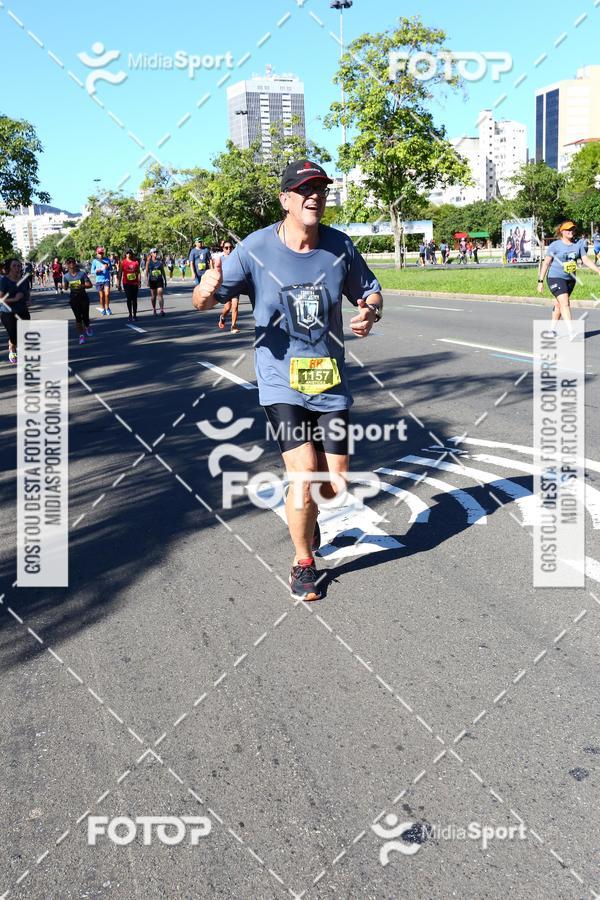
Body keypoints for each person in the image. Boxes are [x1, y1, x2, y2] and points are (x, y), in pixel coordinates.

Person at [192, 159, 383, 602]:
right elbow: (205, 301)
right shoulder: (255, 249)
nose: (314, 196)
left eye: (320, 189)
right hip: (281, 382)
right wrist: (206, 286)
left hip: (329, 381)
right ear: (286, 200)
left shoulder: (339, 247)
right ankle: (303, 562)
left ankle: (310, 517)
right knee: (305, 475)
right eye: (304, 190)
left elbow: (370, 291)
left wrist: (369, 311)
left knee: (334, 486)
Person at [537, 221, 600, 323]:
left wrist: (598, 271)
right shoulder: (555, 245)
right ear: (562, 231)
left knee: (559, 304)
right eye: (568, 229)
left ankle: (552, 330)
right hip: (555, 277)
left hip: (570, 279)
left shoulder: (578, 245)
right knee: (565, 303)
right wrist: (540, 281)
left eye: (572, 229)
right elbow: (546, 263)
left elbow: (586, 260)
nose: (571, 231)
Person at [0, 258, 31, 365]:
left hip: (23, 311)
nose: (17, 268)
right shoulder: (3, 281)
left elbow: (27, 293)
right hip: (8, 313)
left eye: (19, 266)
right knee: (14, 336)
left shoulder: (24, 280)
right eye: (14, 266)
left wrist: (28, 301)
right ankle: (12, 349)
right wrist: (15, 299)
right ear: (9, 267)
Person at [63, 258, 93, 344]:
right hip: (74, 299)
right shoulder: (66, 276)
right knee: (78, 318)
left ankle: (87, 326)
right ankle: (81, 336)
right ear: (67, 265)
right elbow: (65, 287)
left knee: (85, 317)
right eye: (69, 263)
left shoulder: (82, 274)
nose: (71, 264)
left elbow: (90, 285)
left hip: (83, 298)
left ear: (75, 264)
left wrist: (83, 286)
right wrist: (62, 286)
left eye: (72, 262)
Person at [216, 241, 241, 333]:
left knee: (235, 306)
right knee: (227, 307)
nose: (229, 249)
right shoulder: (220, 259)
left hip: (235, 285)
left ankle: (233, 326)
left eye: (230, 247)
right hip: (225, 287)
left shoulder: (236, 259)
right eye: (226, 248)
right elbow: (216, 272)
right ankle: (222, 316)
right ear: (223, 249)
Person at [91, 247, 112, 315]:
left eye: (102, 253)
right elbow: (92, 271)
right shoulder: (94, 261)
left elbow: (110, 268)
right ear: (97, 253)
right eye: (99, 253)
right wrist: (97, 271)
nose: (101, 254)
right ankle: (103, 309)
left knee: (107, 294)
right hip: (99, 280)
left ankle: (107, 308)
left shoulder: (107, 260)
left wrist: (107, 267)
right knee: (101, 296)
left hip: (106, 279)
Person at [145, 248, 167, 315]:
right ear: (151, 254)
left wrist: (165, 280)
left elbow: (163, 271)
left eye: (156, 252)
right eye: (154, 252)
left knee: (160, 294)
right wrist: (147, 281)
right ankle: (154, 309)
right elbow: (146, 272)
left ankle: (161, 310)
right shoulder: (148, 262)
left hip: (159, 280)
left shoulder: (159, 262)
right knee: (153, 296)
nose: (155, 253)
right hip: (152, 280)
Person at [121, 249, 141, 320]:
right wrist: (118, 283)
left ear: (132, 254)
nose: (128, 254)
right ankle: (130, 314)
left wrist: (139, 281)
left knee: (134, 299)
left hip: (134, 283)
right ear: (125, 254)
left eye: (130, 253)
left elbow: (138, 272)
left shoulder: (135, 262)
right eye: (127, 253)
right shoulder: (123, 262)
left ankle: (135, 315)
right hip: (126, 283)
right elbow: (120, 273)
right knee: (129, 298)